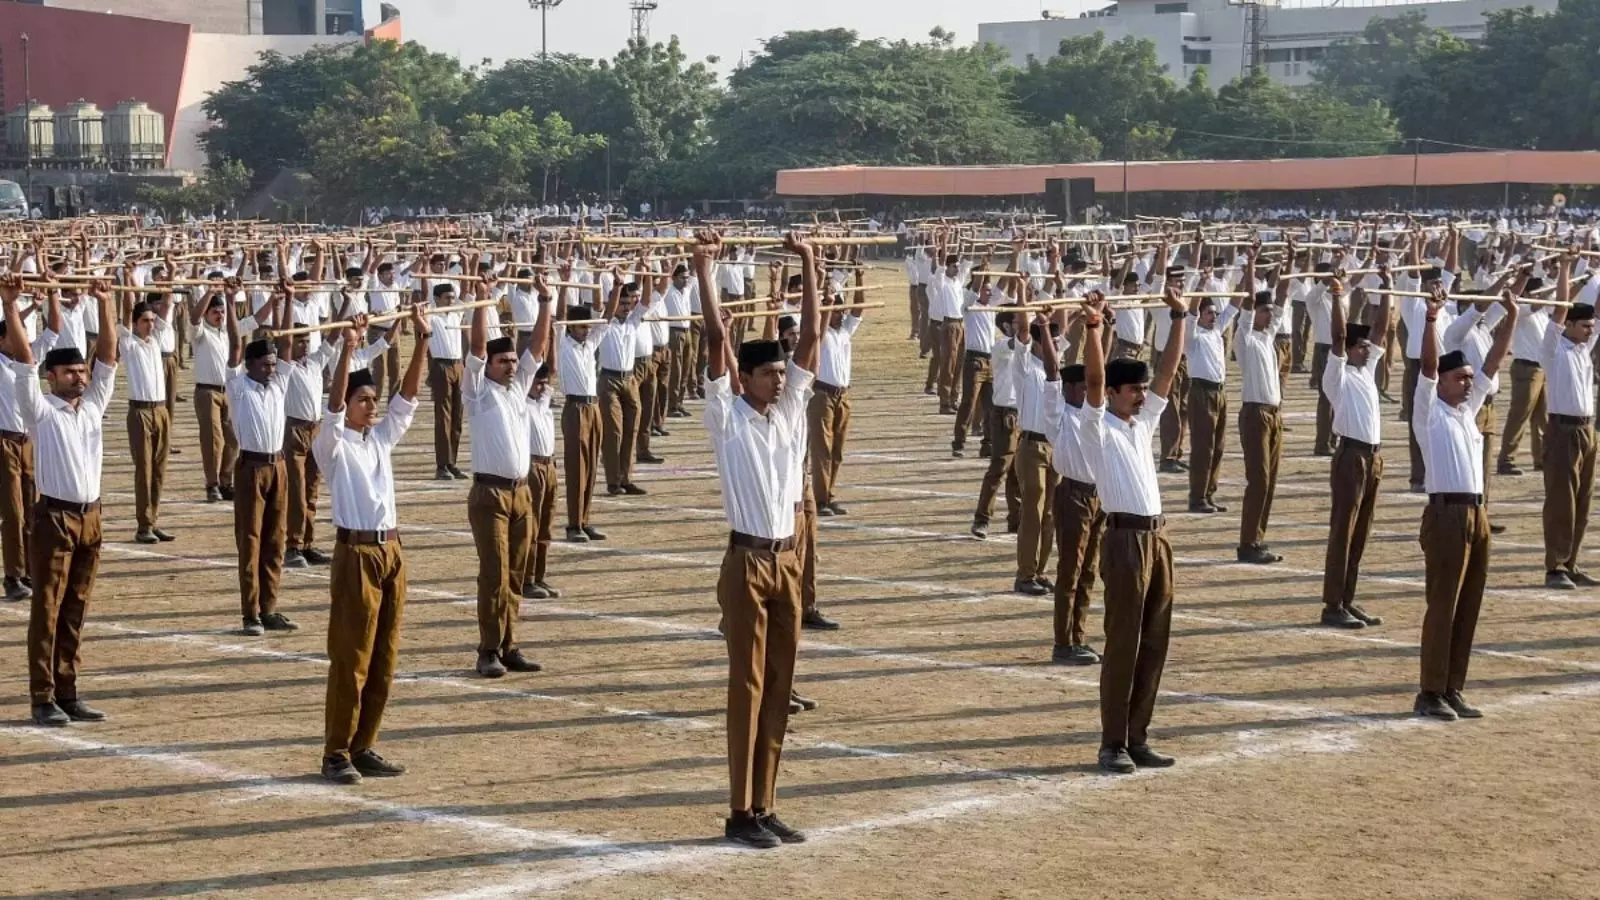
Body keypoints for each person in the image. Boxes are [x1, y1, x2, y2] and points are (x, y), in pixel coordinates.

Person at [695, 228, 818, 849]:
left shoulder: (791, 414)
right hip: (746, 560)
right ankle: (739, 810)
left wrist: (808, 262)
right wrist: (705, 269)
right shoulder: (727, 417)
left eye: (780, 372)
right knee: (746, 684)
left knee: (779, 684)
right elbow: (716, 339)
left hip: (787, 560)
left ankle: (766, 802)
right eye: (767, 372)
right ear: (743, 377)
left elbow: (813, 342)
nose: (779, 379)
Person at [316, 301, 431, 784]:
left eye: (372, 399)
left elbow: (406, 397)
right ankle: (336, 751)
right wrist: (348, 350)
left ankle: (365, 744)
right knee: (352, 657)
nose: (373, 405)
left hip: (391, 552)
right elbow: (335, 408)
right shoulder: (334, 445)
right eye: (365, 399)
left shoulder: (380, 440)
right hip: (357, 553)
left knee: (384, 656)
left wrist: (422, 340)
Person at [1080, 282, 1188, 774]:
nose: (1144, 394)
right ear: (1117, 394)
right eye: (1135, 389)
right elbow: (1097, 380)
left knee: (1155, 641)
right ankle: (1112, 742)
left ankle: (1138, 735)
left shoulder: (1141, 424)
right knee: (1123, 642)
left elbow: (1167, 373)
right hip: (1123, 539)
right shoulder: (1098, 426)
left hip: (1157, 538)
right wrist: (1095, 328)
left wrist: (1180, 318)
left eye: (1143, 389)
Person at [4, 275, 117, 726]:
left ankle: (68, 690)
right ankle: (42, 694)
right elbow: (23, 360)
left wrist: (106, 304)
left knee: (76, 606)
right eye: (70, 372)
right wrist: (10, 307)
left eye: (81, 372)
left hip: (91, 517)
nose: (80, 377)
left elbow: (108, 357)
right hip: (54, 517)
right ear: (52, 377)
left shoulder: (91, 407)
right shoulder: (40, 410)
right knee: (47, 609)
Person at [1411, 284, 1515, 720]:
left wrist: (1510, 317)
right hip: (1446, 513)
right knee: (1443, 606)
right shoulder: (1430, 410)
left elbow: (1492, 362)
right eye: (1462, 378)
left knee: (1469, 604)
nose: (1470, 383)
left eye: (1470, 379)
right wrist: (1433, 319)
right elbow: (1430, 367)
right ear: (1444, 384)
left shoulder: (1467, 412)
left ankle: (1453, 686)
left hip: (1477, 513)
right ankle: (1430, 691)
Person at [463, 270, 545, 679]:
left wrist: (546, 302)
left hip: (521, 493)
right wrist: (484, 301)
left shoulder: (517, 388)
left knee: (516, 572)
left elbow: (539, 347)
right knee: (494, 574)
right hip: (490, 495)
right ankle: (487, 648)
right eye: (504, 361)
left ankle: (510, 643)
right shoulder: (477, 393)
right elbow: (477, 348)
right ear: (489, 366)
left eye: (513, 360)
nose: (512, 365)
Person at [1319, 274, 1392, 629]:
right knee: (1343, 532)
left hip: (1373, 458)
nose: (1367, 349)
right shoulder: (1339, 375)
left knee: (1361, 533)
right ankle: (1332, 603)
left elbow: (1381, 330)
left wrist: (1388, 289)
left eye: (1367, 347)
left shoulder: (1367, 370)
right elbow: (1337, 337)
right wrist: (1337, 297)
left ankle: (1348, 598)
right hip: (1351, 457)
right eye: (1359, 346)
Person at [225, 284, 296, 636]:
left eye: (273, 364)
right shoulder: (238, 387)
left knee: (275, 539)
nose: (271, 369)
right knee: (250, 539)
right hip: (251, 467)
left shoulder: (279, 384)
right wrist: (228, 300)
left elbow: (284, 343)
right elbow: (235, 344)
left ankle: (269, 608)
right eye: (264, 364)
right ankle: (249, 612)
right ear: (249, 365)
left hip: (278, 465)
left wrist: (286, 302)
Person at [1039, 311, 1101, 666]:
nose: (1089, 390)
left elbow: (1100, 369)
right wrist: (1048, 329)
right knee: (1070, 571)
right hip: (1073, 494)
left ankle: (1079, 635)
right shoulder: (1058, 414)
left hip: (1097, 495)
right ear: (1072, 389)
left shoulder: (1095, 414)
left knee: (1089, 570)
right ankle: (1063, 642)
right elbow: (1051, 371)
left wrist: (1098, 325)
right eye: (1082, 386)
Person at [1539, 251, 1600, 590]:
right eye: (1586, 326)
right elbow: (1561, 306)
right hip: (1562, 429)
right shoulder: (1555, 347)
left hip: (1587, 429)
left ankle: (1572, 562)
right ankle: (1556, 566)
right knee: (1562, 500)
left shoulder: (1582, 348)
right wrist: (1565, 267)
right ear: (1571, 326)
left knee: (1583, 501)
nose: (1592, 330)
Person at [0, 277, 59, 602]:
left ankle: (28, 571)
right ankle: (12, 576)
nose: (23, 336)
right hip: (5, 442)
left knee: (33, 510)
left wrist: (50, 292)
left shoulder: (27, 361)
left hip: (28, 442)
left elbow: (52, 330)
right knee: (13, 512)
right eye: (14, 332)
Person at [1234, 260, 1286, 565]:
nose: (1270, 315)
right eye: (1265, 311)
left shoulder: (1268, 338)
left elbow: (1280, 295)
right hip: (1255, 414)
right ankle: (1247, 542)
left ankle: (1257, 538)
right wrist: (1252, 265)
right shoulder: (1246, 338)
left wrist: (1288, 262)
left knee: (1271, 479)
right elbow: (1251, 302)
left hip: (1274, 413)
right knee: (1259, 479)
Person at [119, 291, 176, 544]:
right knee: (144, 469)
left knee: (160, 470)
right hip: (140, 411)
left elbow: (167, 306)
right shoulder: (129, 343)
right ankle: (143, 525)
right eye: (145, 321)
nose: (151, 325)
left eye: (152, 321)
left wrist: (169, 281)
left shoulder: (156, 342)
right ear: (135, 323)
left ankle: (153, 520)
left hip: (161, 410)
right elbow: (125, 309)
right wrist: (129, 285)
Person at [809, 270, 865, 516]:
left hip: (843, 395)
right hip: (822, 394)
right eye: (836, 311)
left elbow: (859, 309)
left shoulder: (844, 332)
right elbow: (817, 320)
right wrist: (825, 301)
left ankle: (829, 494)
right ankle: (820, 499)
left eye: (842, 311)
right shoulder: (821, 334)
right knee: (822, 448)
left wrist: (860, 278)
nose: (841, 315)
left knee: (838, 449)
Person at [519, 278, 561, 601]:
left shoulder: (544, 399)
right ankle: (526, 577)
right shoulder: (521, 401)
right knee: (530, 527)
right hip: (531, 467)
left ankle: (540, 575)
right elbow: (533, 359)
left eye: (544, 383)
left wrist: (554, 336)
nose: (542, 386)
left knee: (545, 526)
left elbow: (552, 369)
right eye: (538, 382)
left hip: (550, 466)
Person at [189, 280, 243, 503]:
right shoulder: (200, 333)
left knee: (234, 438)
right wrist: (210, 292)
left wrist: (230, 300)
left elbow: (251, 323)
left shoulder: (225, 333)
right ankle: (211, 484)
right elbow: (193, 318)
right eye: (215, 311)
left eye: (221, 311)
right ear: (208, 314)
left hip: (228, 390)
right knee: (213, 440)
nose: (219, 315)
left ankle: (225, 480)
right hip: (207, 392)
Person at [422, 280, 468, 480]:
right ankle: (442, 465)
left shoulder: (457, 314)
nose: (451, 300)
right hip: (441, 366)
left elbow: (468, 293)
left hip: (459, 365)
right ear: (437, 299)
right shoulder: (431, 316)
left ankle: (452, 463)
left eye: (452, 297)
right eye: (447, 298)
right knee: (444, 417)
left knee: (457, 417)